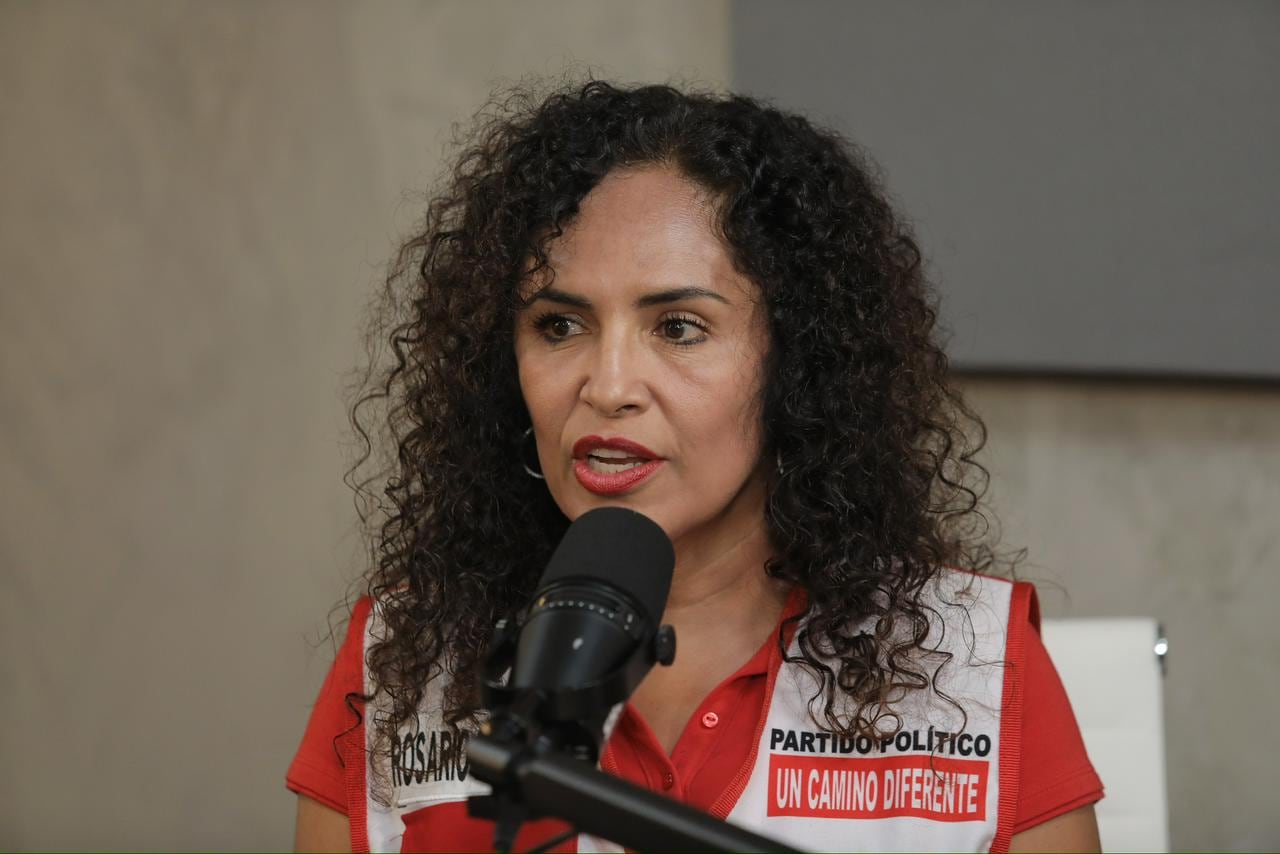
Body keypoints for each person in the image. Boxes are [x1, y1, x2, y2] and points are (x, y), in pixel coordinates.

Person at [287, 78, 1103, 853]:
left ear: (797, 363)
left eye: (678, 327)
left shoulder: (970, 662)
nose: (606, 388)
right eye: (560, 326)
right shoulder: (405, 657)